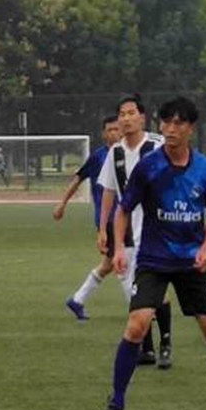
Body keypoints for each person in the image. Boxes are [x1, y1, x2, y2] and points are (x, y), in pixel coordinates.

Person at [95, 97, 206, 410]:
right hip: (153, 260)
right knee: (136, 326)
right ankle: (116, 404)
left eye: (178, 123)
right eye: (165, 122)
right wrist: (119, 248)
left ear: (190, 128)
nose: (170, 129)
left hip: (192, 263)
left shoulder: (205, 169)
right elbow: (123, 209)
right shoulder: (149, 167)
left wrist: (205, 248)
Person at [97, 94, 174, 368]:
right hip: (127, 232)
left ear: (142, 117)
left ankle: (165, 343)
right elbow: (108, 192)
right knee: (135, 289)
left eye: (131, 113)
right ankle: (147, 347)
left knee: (157, 287)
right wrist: (103, 229)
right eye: (122, 114)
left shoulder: (157, 146)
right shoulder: (115, 153)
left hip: (157, 228)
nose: (126, 118)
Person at [54, 115, 121, 320]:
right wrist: (63, 203)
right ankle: (143, 307)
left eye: (116, 129)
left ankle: (77, 300)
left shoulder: (127, 154)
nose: (114, 133)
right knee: (125, 260)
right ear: (104, 134)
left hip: (126, 217)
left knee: (109, 264)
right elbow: (78, 179)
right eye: (110, 130)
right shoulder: (98, 157)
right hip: (109, 220)